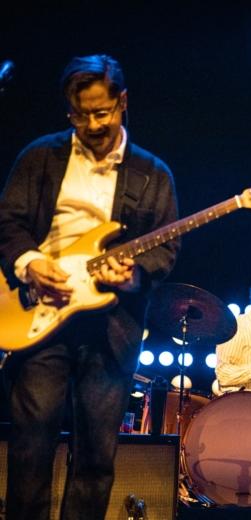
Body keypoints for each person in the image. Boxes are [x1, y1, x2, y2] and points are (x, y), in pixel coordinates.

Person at [0, 55, 180, 520]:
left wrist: (132, 276)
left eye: (102, 112)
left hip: (113, 327)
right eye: (80, 115)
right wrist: (31, 263)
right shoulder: (41, 156)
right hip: (39, 315)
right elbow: (8, 222)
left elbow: (166, 249)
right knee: (30, 447)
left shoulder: (153, 173)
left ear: (123, 102)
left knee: (97, 459)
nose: (93, 124)